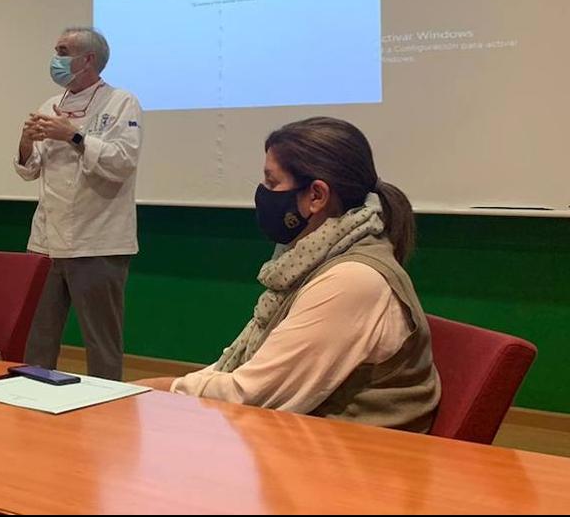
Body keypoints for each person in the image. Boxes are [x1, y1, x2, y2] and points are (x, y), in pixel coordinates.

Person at [139, 117, 441, 432]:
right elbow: (247, 374)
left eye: (272, 183)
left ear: (316, 197)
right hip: (312, 443)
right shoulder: (311, 258)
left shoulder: (352, 279)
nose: (263, 194)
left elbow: (249, 397)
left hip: (359, 464)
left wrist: (150, 389)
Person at [17, 27, 142, 380]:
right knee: (37, 336)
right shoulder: (48, 105)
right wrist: (26, 141)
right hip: (45, 240)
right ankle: (31, 397)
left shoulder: (122, 102)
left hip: (97, 239)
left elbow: (122, 162)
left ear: (88, 60)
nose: (55, 58)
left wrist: (72, 135)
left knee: (101, 341)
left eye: (63, 50)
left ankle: (108, 408)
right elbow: (30, 169)